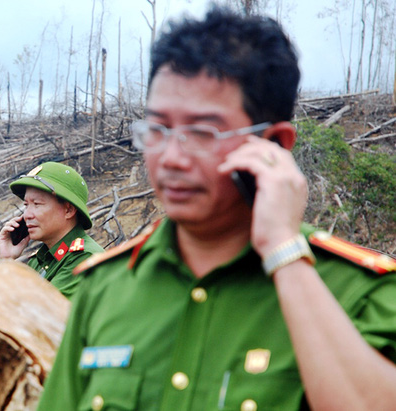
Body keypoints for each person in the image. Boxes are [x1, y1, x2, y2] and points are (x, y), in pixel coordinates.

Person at [38, 6, 396, 411]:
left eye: (202, 133)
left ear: (274, 143)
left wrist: (283, 250)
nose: (171, 157)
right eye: (158, 130)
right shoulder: (105, 288)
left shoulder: (359, 293)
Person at [0, 161, 104, 298]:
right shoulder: (41, 259)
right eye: (26, 205)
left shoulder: (84, 258)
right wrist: (5, 259)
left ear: (68, 210)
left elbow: (35, 314)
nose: (27, 215)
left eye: (37, 204)